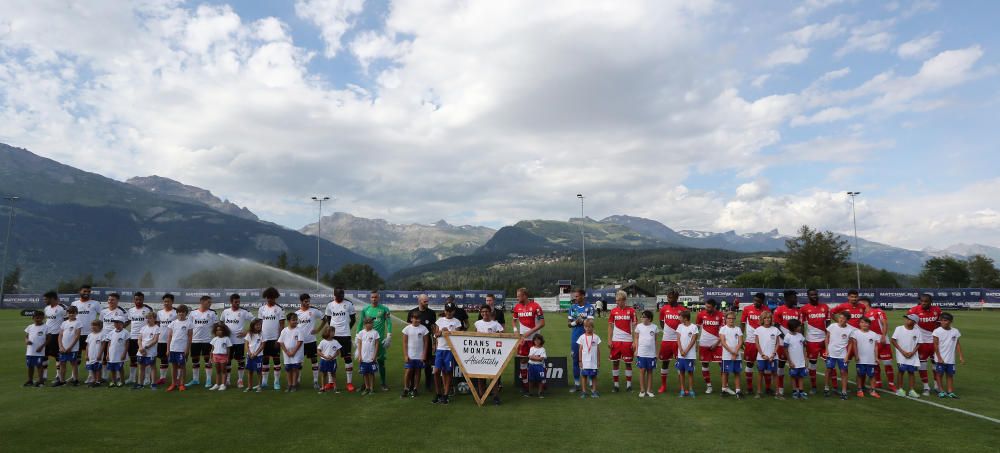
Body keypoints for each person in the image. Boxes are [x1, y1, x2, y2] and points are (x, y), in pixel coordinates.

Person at [907, 293, 942, 396]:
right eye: (921, 301)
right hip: (921, 342)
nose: (923, 303)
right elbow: (908, 324)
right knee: (922, 365)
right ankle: (926, 387)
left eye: (926, 302)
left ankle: (936, 385)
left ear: (931, 302)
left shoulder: (937, 310)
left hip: (934, 341)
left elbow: (940, 324)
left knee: (936, 364)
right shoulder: (914, 310)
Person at [357, 290, 392, 391]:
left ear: (378, 298)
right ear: (370, 298)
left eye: (376, 297)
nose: (374, 299)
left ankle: (383, 383)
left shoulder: (385, 309)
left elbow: (389, 323)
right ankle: (365, 384)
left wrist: (389, 335)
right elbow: (360, 323)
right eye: (372, 297)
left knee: (380, 361)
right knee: (364, 362)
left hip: (379, 341)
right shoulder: (365, 309)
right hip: (366, 341)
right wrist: (357, 335)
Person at [322, 288, 356, 392]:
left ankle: (349, 383)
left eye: (342, 295)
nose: (341, 297)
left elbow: (353, 319)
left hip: (345, 335)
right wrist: (332, 330)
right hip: (333, 336)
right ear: (334, 295)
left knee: (347, 358)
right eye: (338, 296)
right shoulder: (330, 305)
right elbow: (328, 318)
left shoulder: (349, 304)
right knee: (330, 358)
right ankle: (331, 382)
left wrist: (347, 328)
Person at [512, 288, 545, 394]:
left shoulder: (536, 306)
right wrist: (516, 330)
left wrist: (530, 332)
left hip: (535, 339)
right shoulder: (517, 307)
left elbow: (542, 323)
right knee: (523, 361)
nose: (517, 298)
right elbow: (513, 321)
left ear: (525, 295)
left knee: (537, 361)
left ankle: (541, 383)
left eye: (519, 296)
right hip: (523, 339)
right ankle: (525, 385)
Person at [772, 290, 803, 398]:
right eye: (794, 297)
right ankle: (780, 389)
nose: (796, 299)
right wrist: (784, 338)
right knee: (780, 366)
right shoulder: (779, 310)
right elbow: (776, 326)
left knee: (796, 365)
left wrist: (801, 339)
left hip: (795, 345)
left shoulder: (798, 311)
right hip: (782, 343)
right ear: (788, 298)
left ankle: (798, 390)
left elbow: (800, 327)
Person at [859, 297, 893, 391]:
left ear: (866, 303)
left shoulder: (878, 311)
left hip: (883, 340)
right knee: (875, 363)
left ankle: (891, 384)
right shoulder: (863, 315)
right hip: (871, 342)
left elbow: (885, 324)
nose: (859, 306)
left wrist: (883, 336)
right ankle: (878, 382)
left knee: (887, 363)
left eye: (861, 303)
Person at [799, 288, 830, 393]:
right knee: (812, 364)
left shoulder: (825, 307)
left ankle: (833, 387)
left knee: (829, 363)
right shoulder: (804, 309)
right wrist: (802, 338)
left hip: (824, 341)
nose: (814, 296)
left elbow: (829, 324)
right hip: (811, 341)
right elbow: (802, 325)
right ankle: (813, 387)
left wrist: (829, 337)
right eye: (812, 295)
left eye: (815, 294)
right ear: (808, 296)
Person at [221, 294, 254, 388]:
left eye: (239, 301)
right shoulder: (225, 312)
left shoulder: (244, 312)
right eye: (236, 302)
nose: (238, 303)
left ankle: (240, 380)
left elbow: (256, 321)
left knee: (240, 361)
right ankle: (227, 379)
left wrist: (247, 332)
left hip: (239, 341)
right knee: (228, 360)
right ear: (231, 302)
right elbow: (221, 323)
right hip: (228, 342)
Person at [657, 290, 687, 393]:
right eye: (668, 298)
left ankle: (682, 387)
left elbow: (686, 324)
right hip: (666, 340)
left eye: (671, 298)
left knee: (680, 364)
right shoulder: (664, 309)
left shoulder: (682, 310)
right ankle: (663, 386)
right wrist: (666, 330)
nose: (669, 300)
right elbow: (661, 321)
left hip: (678, 341)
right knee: (665, 363)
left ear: (676, 298)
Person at [432, 302, 462, 404]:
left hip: (450, 350)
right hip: (440, 349)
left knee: (448, 372)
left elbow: (457, 336)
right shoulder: (439, 321)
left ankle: (445, 395)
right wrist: (439, 333)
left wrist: (447, 331)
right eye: (447, 310)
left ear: (454, 311)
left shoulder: (457, 322)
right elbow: (435, 335)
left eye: (451, 311)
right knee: (436, 372)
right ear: (444, 310)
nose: (449, 312)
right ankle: (438, 393)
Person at [741, 292, 770, 395]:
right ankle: (749, 388)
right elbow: (742, 323)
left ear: (762, 301)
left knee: (766, 365)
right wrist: (741, 338)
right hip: (751, 341)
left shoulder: (766, 310)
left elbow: (769, 325)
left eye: (758, 301)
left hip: (764, 342)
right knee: (749, 364)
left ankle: (767, 388)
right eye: (754, 300)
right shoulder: (747, 309)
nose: (756, 303)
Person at [474, 304, 504, 405]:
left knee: (493, 376)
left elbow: (503, 336)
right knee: (480, 375)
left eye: (486, 311)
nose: (484, 313)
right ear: (480, 313)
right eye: (482, 312)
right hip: (480, 354)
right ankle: (481, 395)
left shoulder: (495, 324)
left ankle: (495, 396)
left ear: (490, 312)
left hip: (493, 354)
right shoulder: (477, 323)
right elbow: (473, 337)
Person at [608, 290, 636, 392]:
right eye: (616, 300)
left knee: (628, 363)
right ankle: (616, 385)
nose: (617, 302)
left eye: (618, 300)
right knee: (615, 363)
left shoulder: (632, 311)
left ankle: (629, 385)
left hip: (628, 341)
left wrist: (634, 342)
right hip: (616, 341)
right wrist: (609, 340)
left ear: (624, 300)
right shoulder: (613, 311)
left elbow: (634, 327)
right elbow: (610, 326)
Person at [295, 293, 326, 390]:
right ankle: (297, 381)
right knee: (299, 362)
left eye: (308, 301)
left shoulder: (314, 311)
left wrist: (318, 330)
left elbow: (325, 319)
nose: (308, 303)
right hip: (300, 342)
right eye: (305, 301)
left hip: (311, 341)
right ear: (301, 302)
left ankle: (316, 381)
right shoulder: (297, 313)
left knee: (314, 361)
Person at [71, 285, 101, 384]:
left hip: (91, 334)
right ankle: (74, 376)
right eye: (84, 291)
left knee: (90, 356)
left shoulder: (95, 303)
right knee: (76, 356)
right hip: (77, 333)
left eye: (88, 291)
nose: (86, 293)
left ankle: (91, 376)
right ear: (80, 291)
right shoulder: (74, 303)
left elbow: (102, 316)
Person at [187, 296, 218, 388]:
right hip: (195, 340)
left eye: (210, 302)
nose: (210, 304)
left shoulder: (212, 313)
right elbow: (189, 327)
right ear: (202, 302)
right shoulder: (193, 313)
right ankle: (195, 379)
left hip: (207, 340)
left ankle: (208, 380)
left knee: (207, 360)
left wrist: (216, 341)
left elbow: (216, 328)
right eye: (208, 302)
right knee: (195, 360)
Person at [258, 287, 286, 390]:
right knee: (264, 360)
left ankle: (276, 382)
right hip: (264, 339)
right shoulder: (262, 309)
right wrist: (259, 338)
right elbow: (260, 325)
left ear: (275, 298)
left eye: (273, 298)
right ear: (266, 298)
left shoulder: (279, 309)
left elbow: (282, 325)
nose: (270, 300)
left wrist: (279, 339)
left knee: (276, 360)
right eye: (269, 298)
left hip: (275, 339)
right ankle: (264, 382)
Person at [567, 288, 594, 392]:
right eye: (575, 296)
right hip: (575, 338)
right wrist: (575, 323)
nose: (576, 298)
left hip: (587, 338)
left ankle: (591, 383)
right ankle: (577, 384)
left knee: (589, 360)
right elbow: (569, 324)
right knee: (575, 360)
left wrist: (582, 321)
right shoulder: (572, 308)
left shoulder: (590, 307)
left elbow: (590, 323)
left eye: (577, 296)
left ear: (583, 296)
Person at [408, 294, 437, 392]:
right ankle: (412, 385)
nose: (427, 303)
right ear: (419, 301)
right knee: (413, 365)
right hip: (414, 345)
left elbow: (433, 329)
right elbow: (409, 329)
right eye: (425, 301)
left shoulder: (431, 313)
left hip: (426, 343)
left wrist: (434, 343)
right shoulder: (412, 312)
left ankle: (428, 384)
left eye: (427, 301)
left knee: (428, 364)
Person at [696, 298, 724, 394]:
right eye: (706, 306)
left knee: (722, 364)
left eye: (709, 307)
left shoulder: (720, 315)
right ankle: (709, 386)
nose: (706, 308)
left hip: (718, 343)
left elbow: (723, 332)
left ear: (714, 307)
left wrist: (716, 344)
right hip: (704, 343)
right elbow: (697, 329)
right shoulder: (700, 314)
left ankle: (725, 386)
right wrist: (695, 342)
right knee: (705, 364)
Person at [932, 312, 963, 398]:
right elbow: (935, 345)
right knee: (939, 374)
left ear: (950, 321)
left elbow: (957, 344)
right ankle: (941, 391)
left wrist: (961, 356)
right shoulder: (937, 331)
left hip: (950, 359)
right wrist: (939, 357)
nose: (943, 322)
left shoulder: (955, 331)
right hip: (940, 358)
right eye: (942, 320)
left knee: (950, 375)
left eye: (945, 320)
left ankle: (950, 391)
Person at [849, 317, 881, 399]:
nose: (864, 324)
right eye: (862, 322)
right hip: (860, 359)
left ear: (869, 324)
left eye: (866, 323)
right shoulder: (855, 333)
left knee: (872, 375)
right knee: (860, 374)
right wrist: (856, 355)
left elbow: (876, 347)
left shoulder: (874, 334)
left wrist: (876, 357)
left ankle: (873, 390)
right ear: (859, 324)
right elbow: (854, 345)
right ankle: (859, 390)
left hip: (871, 359)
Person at [125, 292, 153, 385]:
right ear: (134, 300)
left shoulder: (148, 309)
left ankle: (147, 378)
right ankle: (132, 378)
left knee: (146, 359)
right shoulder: (131, 310)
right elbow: (128, 322)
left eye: (140, 299)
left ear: (143, 299)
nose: (138, 301)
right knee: (133, 359)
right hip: (133, 337)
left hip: (145, 338)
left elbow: (152, 322)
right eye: (136, 299)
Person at [99, 293, 128, 381]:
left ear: (117, 301)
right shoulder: (103, 311)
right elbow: (100, 323)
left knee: (117, 356)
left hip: (116, 337)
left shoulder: (121, 311)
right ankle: (105, 375)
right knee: (105, 357)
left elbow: (126, 322)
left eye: (112, 300)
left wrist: (120, 332)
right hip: (105, 337)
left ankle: (119, 376)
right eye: (109, 299)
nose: (110, 301)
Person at [824, 312, 853, 399]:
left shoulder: (850, 329)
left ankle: (844, 392)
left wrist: (847, 355)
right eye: (840, 317)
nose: (840, 319)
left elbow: (851, 343)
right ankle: (826, 388)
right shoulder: (832, 326)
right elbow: (827, 338)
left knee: (843, 372)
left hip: (842, 354)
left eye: (843, 318)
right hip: (831, 353)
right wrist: (827, 349)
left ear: (847, 320)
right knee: (828, 370)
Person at [892, 314, 921, 398]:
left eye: (909, 319)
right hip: (901, 355)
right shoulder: (899, 329)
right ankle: (900, 389)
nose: (907, 320)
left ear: (914, 322)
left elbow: (919, 343)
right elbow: (893, 341)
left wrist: (912, 352)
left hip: (912, 355)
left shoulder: (917, 331)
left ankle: (912, 390)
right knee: (901, 371)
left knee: (911, 372)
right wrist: (902, 351)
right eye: (907, 319)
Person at [753, 311, 781, 399]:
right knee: (760, 373)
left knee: (775, 374)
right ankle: (759, 392)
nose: (767, 319)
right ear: (762, 319)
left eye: (769, 318)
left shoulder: (775, 330)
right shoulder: (758, 329)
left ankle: (777, 393)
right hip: (762, 357)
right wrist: (762, 355)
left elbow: (777, 343)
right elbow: (756, 343)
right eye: (765, 318)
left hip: (773, 357)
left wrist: (773, 354)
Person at [402, 312, 430, 398]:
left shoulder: (424, 329)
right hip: (410, 355)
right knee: (408, 371)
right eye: (415, 318)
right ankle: (406, 388)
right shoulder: (406, 329)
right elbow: (405, 343)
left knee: (418, 372)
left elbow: (426, 343)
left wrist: (424, 355)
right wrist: (406, 355)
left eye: (418, 319)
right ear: (411, 319)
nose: (417, 320)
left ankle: (415, 389)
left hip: (419, 355)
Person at [165, 304, 193, 392]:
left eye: (183, 312)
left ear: (186, 313)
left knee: (182, 367)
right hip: (173, 348)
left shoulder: (189, 323)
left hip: (182, 349)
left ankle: (182, 384)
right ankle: (174, 383)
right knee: (174, 367)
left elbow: (189, 338)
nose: (181, 314)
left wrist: (187, 349)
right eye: (179, 312)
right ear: (177, 313)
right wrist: (168, 349)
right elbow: (169, 337)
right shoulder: (173, 323)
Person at [41, 291, 67, 385]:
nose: (44, 301)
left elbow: (67, 322)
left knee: (57, 356)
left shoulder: (62, 308)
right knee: (44, 355)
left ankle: (58, 376)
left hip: (57, 335)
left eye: (45, 299)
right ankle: (43, 376)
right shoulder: (46, 308)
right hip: (47, 335)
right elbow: (47, 321)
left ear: (52, 298)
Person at [633, 310, 659, 398]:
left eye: (644, 317)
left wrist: (656, 352)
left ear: (649, 319)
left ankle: (649, 390)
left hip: (651, 353)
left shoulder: (654, 327)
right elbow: (636, 338)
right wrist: (636, 350)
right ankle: (642, 390)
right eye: (641, 317)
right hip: (642, 352)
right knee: (642, 371)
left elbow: (655, 340)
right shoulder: (639, 326)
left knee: (650, 371)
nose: (642, 318)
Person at [718, 311, 744, 398]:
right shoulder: (723, 329)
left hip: (737, 355)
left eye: (733, 318)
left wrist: (735, 352)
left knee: (737, 372)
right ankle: (724, 389)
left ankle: (738, 391)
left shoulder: (738, 329)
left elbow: (740, 342)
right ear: (725, 319)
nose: (731, 320)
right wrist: (732, 352)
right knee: (725, 372)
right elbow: (723, 342)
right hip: (726, 355)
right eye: (729, 318)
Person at [55, 305, 82, 387]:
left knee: (74, 364)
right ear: (67, 313)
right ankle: (62, 380)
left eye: (73, 313)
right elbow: (60, 335)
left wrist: (70, 347)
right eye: (69, 313)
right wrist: (61, 346)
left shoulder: (78, 323)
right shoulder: (64, 323)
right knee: (62, 363)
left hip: (73, 348)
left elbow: (77, 336)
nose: (71, 314)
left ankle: (75, 380)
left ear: (76, 313)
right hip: (63, 348)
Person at [155, 294, 178, 385]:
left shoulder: (176, 312)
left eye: (168, 301)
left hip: (174, 340)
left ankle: (177, 377)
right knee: (163, 359)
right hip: (161, 340)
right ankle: (162, 378)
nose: (166, 303)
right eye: (165, 301)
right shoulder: (159, 313)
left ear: (172, 302)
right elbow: (157, 325)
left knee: (175, 360)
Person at [279, 312, 304, 392]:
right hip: (287, 354)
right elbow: (281, 342)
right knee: (288, 369)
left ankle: (294, 385)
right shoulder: (284, 331)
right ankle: (289, 384)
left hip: (296, 354)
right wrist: (286, 352)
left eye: (296, 320)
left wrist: (293, 352)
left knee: (295, 369)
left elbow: (299, 342)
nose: (295, 321)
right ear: (288, 321)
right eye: (293, 320)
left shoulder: (299, 330)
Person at [675, 311, 699, 398]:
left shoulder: (694, 327)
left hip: (690, 354)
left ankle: (691, 390)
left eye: (680, 317)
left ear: (685, 318)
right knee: (681, 372)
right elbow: (678, 339)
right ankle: (682, 390)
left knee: (690, 372)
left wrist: (686, 351)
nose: (678, 318)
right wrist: (681, 350)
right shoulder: (679, 326)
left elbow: (693, 340)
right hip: (681, 354)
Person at [783, 319, 808, 400]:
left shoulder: (800, 336)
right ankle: (794, 391)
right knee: (793, 376)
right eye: (798, 326)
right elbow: (786, 350)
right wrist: (789, 361)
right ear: (793, 327)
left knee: (801, 376)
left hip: (801, 361)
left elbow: (804, 348)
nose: (800, 327)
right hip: (793, 362)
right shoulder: (787, 337)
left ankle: (801, 391)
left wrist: (805, 359)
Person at [356, 317, 381, 395]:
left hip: (371, 357)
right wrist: (360, 356)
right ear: (364, 324)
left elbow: (377, 344)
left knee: (371, 373)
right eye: (367, 323)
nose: (369, 325)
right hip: (363, 358)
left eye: (370, 323)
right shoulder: (361, 333)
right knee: (365, 373)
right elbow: (359, 344)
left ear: (372, 324)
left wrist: (375, 355)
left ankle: (371, 388)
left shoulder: (375, 333)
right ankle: (367, 387)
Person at [577, 319, 601, 398]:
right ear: (584, 327)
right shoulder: (582, 337)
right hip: (584, 361)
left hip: (593, 361)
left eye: (590, 327)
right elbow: (580, 350)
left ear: (592, 327)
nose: (588, 328)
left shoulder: (596, 337)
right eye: (586, 327)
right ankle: (584, 391)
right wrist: (580, 360)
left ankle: (594, 391)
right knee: (584, 376)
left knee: (594, 376)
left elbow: (598, 350)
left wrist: (598, 361)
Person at [136, 312, 159, 390]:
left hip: (151, 352)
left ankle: (153, 384)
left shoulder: (156, 328)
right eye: (147, 318)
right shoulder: (143, 328)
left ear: (154, 319)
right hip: (141, 351)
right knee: (141, 367)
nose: (148, 320)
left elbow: (155, 340)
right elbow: (139, 339)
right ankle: (140, 384)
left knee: (153, 367)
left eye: (150, 318)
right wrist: (140, 348)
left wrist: (145, 348)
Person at [24, 311, 47, 387]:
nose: (38, 319)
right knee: (30, 366)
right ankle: (30, 380)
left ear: (43, 318)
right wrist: (27, 341)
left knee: (39, 366)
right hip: (30, 351)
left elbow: (49, 339)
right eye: (36, 317)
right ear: (33, 318)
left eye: (40, 317)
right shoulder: (30, 327)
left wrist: (42, 346)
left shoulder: (45, 327)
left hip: (40, 351)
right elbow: (26, 336)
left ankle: (40, 381)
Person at [318, 326, 342, 393]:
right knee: (323, 374)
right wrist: (325, 357)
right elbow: (318, 351)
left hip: (332, 361)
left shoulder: (335, 342)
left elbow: (338, 352)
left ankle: (335, 387)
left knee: (333, 374)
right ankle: (323, 387)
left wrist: (332, 357)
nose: (333, 333)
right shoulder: (323, 342)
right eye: (332, 332)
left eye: (334, 332)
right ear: (327, 332)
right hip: (324, 361)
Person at [106, 319, 129, 387]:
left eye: (117, 322)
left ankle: (122, 381)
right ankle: (113, 381)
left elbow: (127, 344)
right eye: (115, 323)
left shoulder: (125, 332)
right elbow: (109, 344)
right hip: (112, 354)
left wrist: (124, 353)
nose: (116, 324)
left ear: (122, 323)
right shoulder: (111, 332)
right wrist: (107, 354)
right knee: (112, 368)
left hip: (120, 354)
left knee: (120, 368)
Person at [209, 324, 232, 391]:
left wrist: (228, 357)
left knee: (223, 371)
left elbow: (228, 349)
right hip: (215, 356)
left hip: (223, 356)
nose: (219, 331)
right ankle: (217, 384)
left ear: (224, 331)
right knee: (218, 371)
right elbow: (212, 349)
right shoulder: (214, 339)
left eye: (220, 330)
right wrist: (210, 358)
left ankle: (223, 385)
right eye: (217, 330)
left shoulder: (226, 339)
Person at [244, 319, 265, 392]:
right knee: (250, 371)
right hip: (249, 356)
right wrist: (249, 353)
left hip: (258, 356)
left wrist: (256, 353)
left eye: (259, 325)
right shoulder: (249, 334)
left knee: (259, 371)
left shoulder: (262, 334)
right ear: (253, 326)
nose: (258, 326)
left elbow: (262, 345)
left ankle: (260, 386)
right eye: (256, 325)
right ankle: (250, 386)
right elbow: (246, 345)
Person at [83, 320, 105, 387]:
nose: (93, 327)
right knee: (91, 368)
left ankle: (98, 381)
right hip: (90, 355)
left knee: (98, 368)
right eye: (92, 325)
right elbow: (87, 346)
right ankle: (93, 380)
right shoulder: (90, 335)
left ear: (100, 327)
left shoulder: (102, 335)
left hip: (97, 355)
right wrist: (86, 354)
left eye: (95, 325)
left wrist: (100, 354)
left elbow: (103, 345)